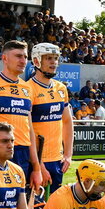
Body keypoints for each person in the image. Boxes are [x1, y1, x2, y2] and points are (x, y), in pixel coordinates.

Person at [0, 41, 45, 191]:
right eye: (18, 56)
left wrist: (36, 167)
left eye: (25, 57)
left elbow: (29, 129)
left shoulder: (27, 88)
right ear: (4, 58)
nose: (23, 61)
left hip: (22, 152)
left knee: (19, 201)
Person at [28, 43, 73, 192]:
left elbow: (67, 121)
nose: (53, 62)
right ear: (36, 61)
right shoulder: (28, 89)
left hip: (57, 160)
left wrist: (68, 154)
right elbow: (27, 131)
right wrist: (39, 165)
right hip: (36, 161)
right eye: (48, 58)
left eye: (55, 58)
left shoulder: (61, 88)